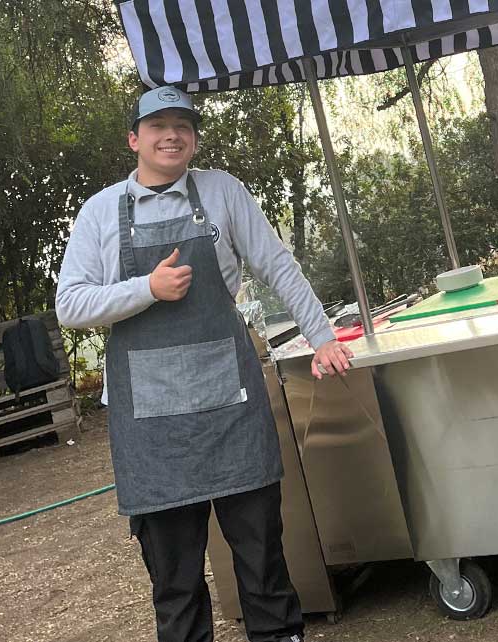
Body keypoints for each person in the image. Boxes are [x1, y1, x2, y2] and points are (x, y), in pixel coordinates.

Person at [56, 86, 353, 642]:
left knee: (261, 549)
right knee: (173, 574)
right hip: (150, 423)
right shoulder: (100, 212)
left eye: (183, 126)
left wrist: (322, 337)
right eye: (157, 126)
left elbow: (277, 266)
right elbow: (70, 305)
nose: (172, 135)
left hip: (230, 404)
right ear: (134, 139)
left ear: (193, 137)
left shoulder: (222, 191)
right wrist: (147, 288)